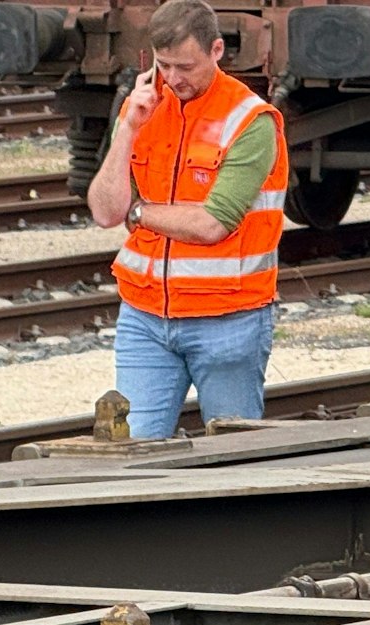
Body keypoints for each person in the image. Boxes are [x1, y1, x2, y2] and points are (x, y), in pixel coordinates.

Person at [87, 0, 287, 439]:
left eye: (186, 66)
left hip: (227, 320)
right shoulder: (143, 107)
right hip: (144, 316)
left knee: (235, 459)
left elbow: (213, 224)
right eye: (164, 65)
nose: (174, 79)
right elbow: (104, 211)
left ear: (217, 50)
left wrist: (138, 213)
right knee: (128, 452)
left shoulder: (250, 121)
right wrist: (127, 130)